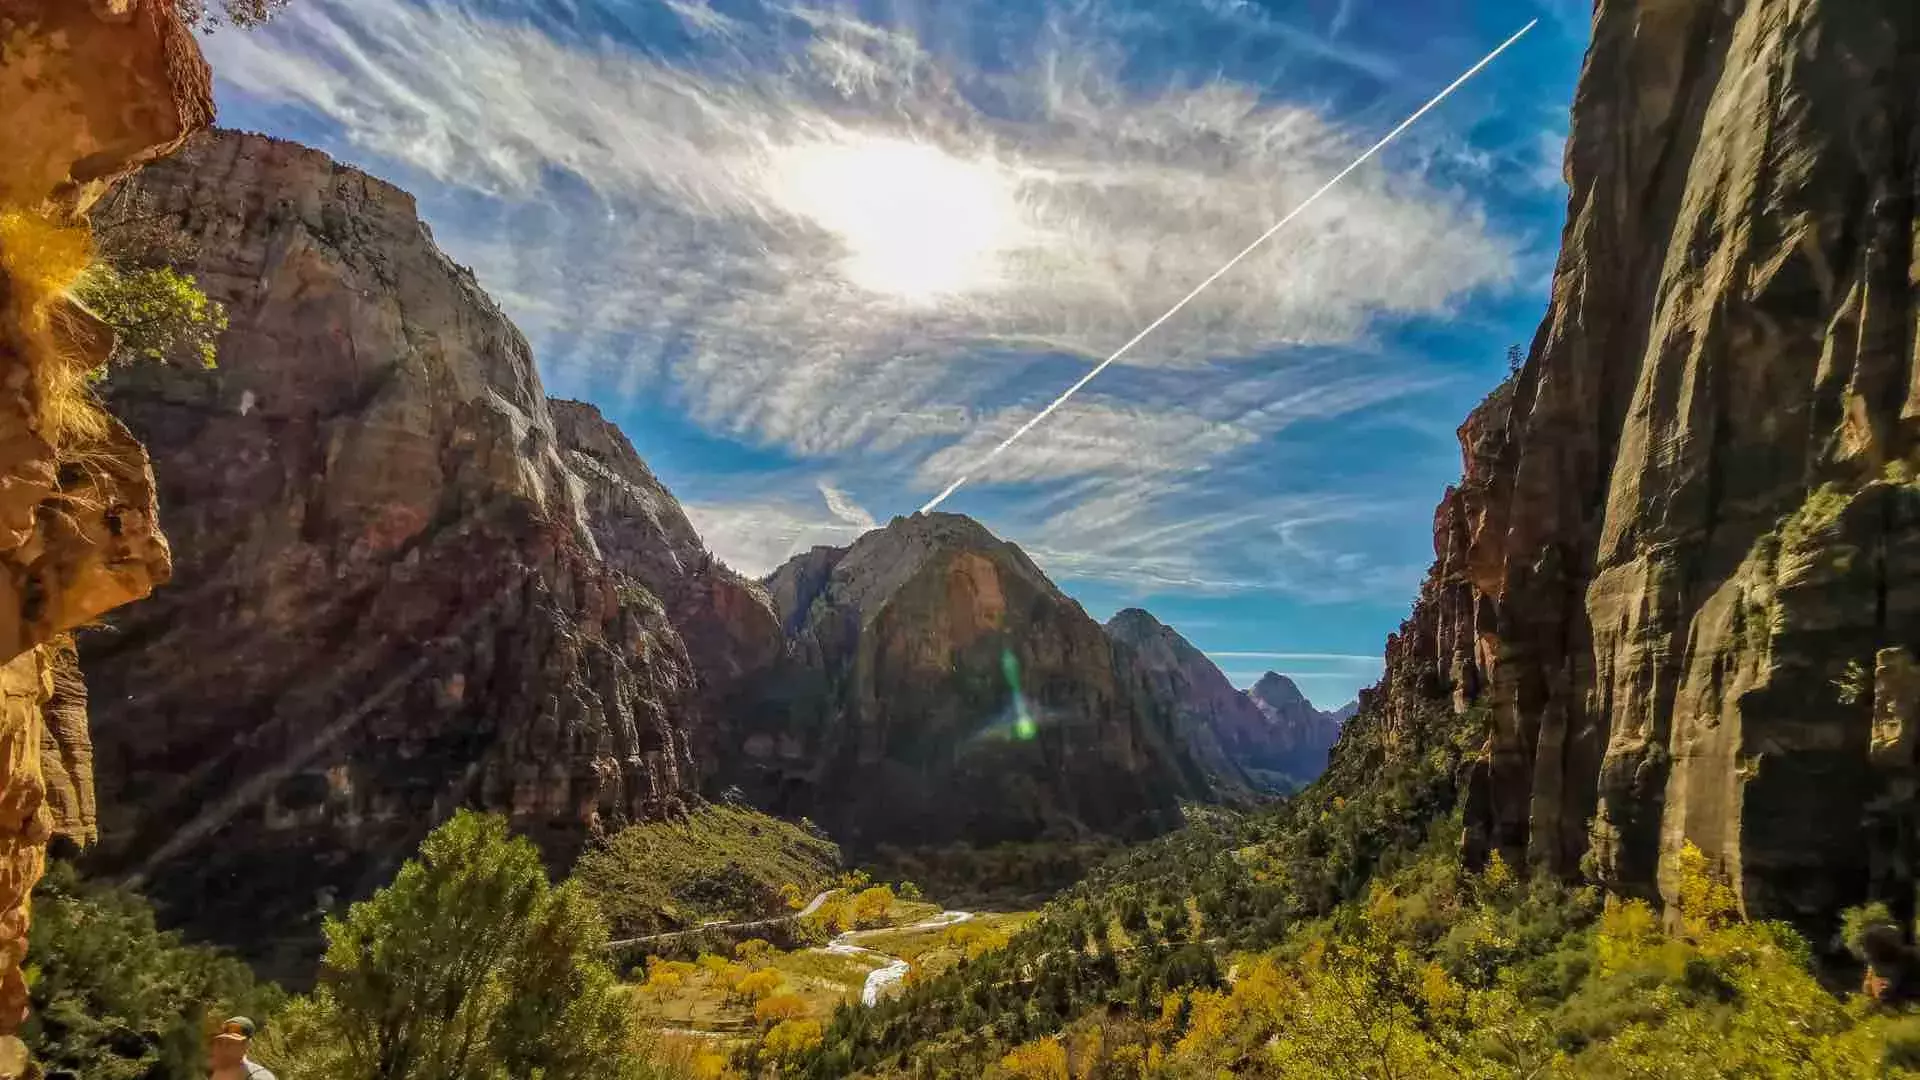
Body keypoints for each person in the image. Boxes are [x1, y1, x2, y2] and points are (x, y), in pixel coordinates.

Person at [209, 1016, 277, 1080]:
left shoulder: (259, 1075)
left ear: (247, 1044)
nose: (225, 1047)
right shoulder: (214, 1071)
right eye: (223, 1042)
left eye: (233, 1042)